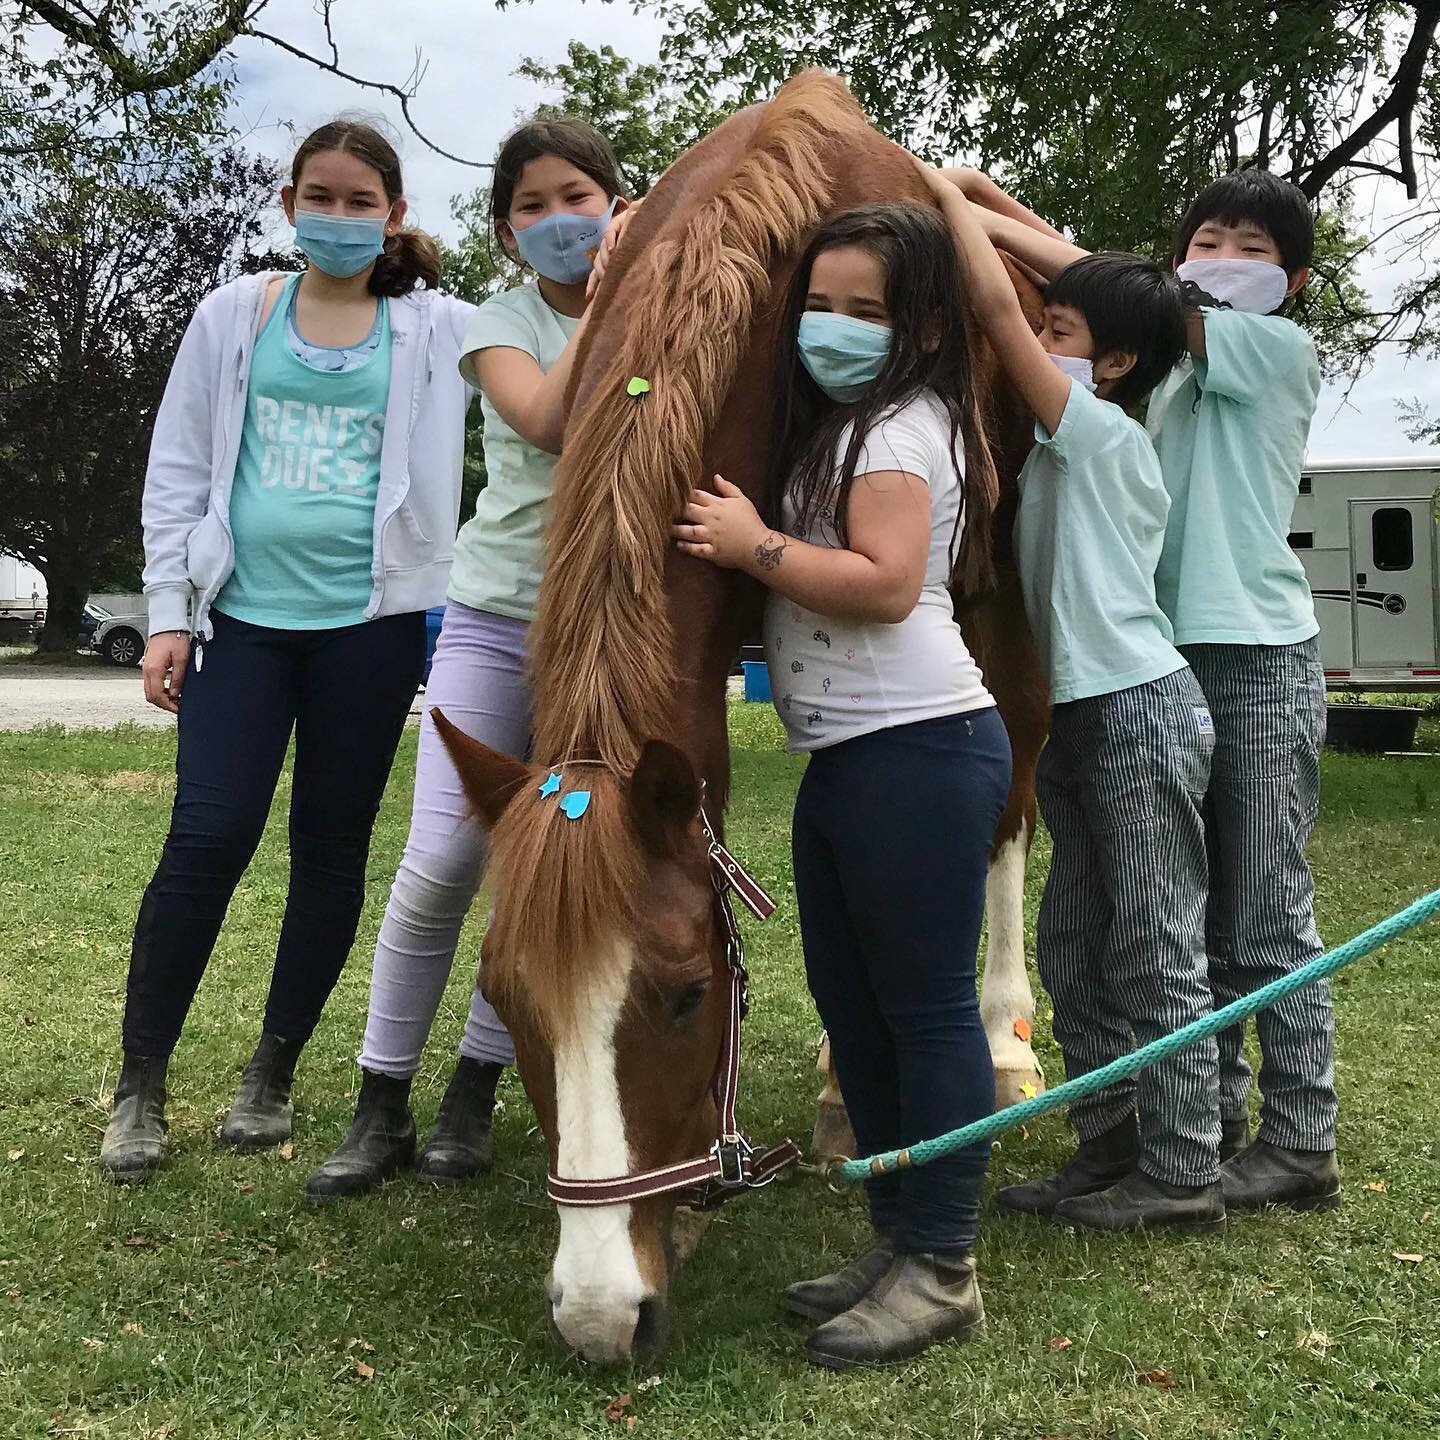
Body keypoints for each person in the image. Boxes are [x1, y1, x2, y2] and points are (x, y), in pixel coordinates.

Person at [100, 120, 476, 1183]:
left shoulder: (438, 327)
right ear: (289, 205)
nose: (342, 217)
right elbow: (178, 466)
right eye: (324, 196)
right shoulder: (235, 315)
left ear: (395, 214)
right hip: (242, 626)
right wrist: (167, 610)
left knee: (330, 848)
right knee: (207, 836)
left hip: (374, 630)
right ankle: (140, 1085)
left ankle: (272, 1071)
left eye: (363, 202)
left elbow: (554, 336)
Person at [960, 168, 1337, 1212]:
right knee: (1174, 920)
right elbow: (1107, 300)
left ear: (1294, 281)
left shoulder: (1271, 348)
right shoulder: (1154, 376)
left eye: (1252, 249)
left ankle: (1301, 1139)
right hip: (1155, 655)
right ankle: (1197, 1136)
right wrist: (995, 197)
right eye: (1206, 238)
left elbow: (1116, 297)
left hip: (1255, 654)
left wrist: (965, 204)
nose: (1223, 256)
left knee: (1261, 919)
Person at [673, 203, 1011, 1369]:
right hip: (856, 757)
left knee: (922, 1010)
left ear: (918, 325)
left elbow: (883, 582)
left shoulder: (901, 434)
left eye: (865, 310)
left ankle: (944, 1265)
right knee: (857, 1009)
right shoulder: (846, 428)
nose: (834, 327)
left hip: (917, 744)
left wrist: (752, 544)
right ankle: (896, 1235)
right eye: (819, 304)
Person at [305, 119, 635, 1199]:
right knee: (444, 860)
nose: (556, 221)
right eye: (531, 206)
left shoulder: (674, 309)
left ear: (615, 199)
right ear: (505, 231)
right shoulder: (497, 323)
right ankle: (379, 1099)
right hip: (495, 622)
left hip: (610, 636)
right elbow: (543, 420)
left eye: (576, 195)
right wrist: (617, 292)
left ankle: (474, 1093)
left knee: (552, 865)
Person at [924, 166, 1225, 1232]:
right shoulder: (1063, 441)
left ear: (1116, 362)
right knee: (1072, 945)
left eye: (1062, 329)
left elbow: (1001, 309)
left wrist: (942, 192)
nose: (1033, 337)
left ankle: (1183, 1169)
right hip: (1081, 717)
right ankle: (1110, 1140)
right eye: (1047, 325)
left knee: (1151, 941)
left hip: (1139, 710)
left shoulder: (1098, 431)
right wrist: (1000, 200)